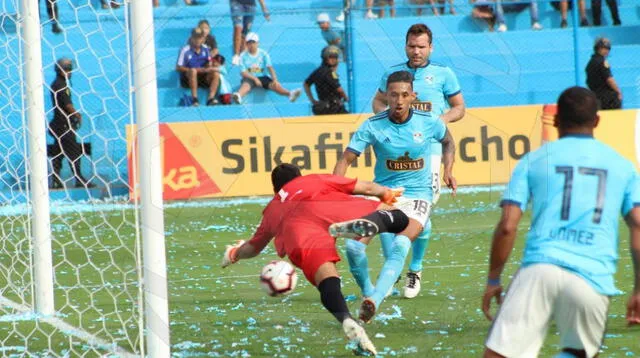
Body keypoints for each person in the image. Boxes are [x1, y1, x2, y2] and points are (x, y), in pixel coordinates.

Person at [482, 86, 640, 357]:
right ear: (597, 121)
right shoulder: (622, 166)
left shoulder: (533, 160)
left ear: (555, 120)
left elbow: (508, 224)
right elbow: (638, 223)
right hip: (592, 278)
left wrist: (494, 279)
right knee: (577, 352)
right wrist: (639, 287)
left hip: (540, 268)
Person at [221, 163, 411, 356]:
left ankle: (346, 319)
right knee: (401, 218)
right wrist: (385, 193)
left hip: (298, 232)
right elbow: (367, 188)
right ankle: (363, 225)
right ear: (299, 175)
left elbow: (253, 247)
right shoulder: (313, 180)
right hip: (330, 208)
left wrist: (233, 254)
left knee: (327, 279)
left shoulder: (272, 210)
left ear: (275, 189)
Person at [333, 70, 457, 322]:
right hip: (385, 196)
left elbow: (448, 141)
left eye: (404, 95)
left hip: (418, 197)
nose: (399, 101)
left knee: (401, 243)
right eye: (393, 95)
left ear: (413, 95)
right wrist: (337, 195)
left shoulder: (429, 121)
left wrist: (449, 170)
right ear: (385, 97)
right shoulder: (373, 125)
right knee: (353, 246)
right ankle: (369, 293)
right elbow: (345, 159)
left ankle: (377, 299)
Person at [371, 23, 465, 299]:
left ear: (430, 47)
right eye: (412, 46)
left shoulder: (443, 74)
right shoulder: (392, 74)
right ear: (405, 46)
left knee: (422, 211)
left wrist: (439, 121)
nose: (416, 51)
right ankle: (393, 269)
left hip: (430, 150)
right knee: (390, 205)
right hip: (396, 149)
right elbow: (377, 102)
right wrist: (386, 119)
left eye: (421, 46)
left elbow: (460, 107)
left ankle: (415, 268)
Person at [48, 58, 95, 189]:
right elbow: (67, 103)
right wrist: (76, 114)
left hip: (59, 124)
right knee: (74, 152)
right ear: (60, 70)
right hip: (63, 125)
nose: (70, 72)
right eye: (67, 69)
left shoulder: (60, 83)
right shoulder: (60, 85)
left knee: (59, 152)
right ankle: (79, 179)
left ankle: (56, 180)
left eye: (70, 69)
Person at [232, 32, 301, 105]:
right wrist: (255, 79)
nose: (251, 45)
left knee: (275, 85)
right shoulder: (243, 56)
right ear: (246, 44)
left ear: (258, 43)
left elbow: (270, 68)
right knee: (246, 85)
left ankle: (290, 94)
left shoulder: (263, 54)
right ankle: (239, 95)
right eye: (249, 43)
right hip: (250, 77)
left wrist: (275, 80)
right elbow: (243, 73)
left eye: (253, 42)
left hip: (263, 77)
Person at [175, 28, 220, 107]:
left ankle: (210, 99)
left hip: (202, 77)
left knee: (216, 73)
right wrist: (194, 70)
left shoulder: (206, 49)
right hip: (188, 78)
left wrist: (210, 66)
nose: (197, 40)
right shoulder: (185, 50)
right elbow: (178, 67)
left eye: (199, 38)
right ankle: (195, 99)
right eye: (195, 37)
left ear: (203, 39)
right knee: (193, 71)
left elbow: (208, 62)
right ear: (191, 38)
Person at [304, 46, 348, 115]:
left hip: (322, 106)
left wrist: (312, 100)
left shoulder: (318, 71)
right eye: (331, 57)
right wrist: (346, 98)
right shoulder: (329, 73)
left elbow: (306, 84)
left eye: (335, 57)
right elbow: (339, 90)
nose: (334, 59)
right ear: (325, 58)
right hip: (334, 108)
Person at [230, 0, 270, 66]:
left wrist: (264, 9)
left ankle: (242, 56)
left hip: (250, 5)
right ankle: (236, 55)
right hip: (236, 3)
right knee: (238, 27)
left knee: (246, 32)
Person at [586, 37, 622, 110]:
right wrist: (618, 91)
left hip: (595, 95)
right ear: (598, 48)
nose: (607, 51)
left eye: (608, 48)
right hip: (607, 97)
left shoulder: (590, 62)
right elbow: (609, 79)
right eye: (605, 48)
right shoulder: (602, 62)